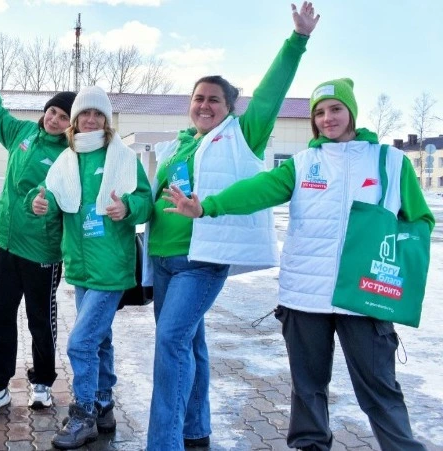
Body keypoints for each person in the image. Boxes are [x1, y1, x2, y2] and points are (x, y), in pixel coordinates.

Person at [162, 78, 432, 451]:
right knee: (307, 389)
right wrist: (207, 206)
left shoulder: (390, 161)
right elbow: (259, 190)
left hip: (365, 297)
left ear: (351, 111)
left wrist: (394, 263)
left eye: (335, 109)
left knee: (380, 390)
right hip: (305, 298)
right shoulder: (304, 163)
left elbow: (419, 222)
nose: (327, 118)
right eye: (319, 112)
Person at [145, 3, 320, 449]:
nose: (204, 105)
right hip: (163, 259)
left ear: (229, 108)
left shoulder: (242, 136)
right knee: (190, 345)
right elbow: (153, 196)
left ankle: (163, 442)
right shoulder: (176, 147)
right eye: (198, 98)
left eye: (214, 99)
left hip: (199, 263)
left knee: (169, 346)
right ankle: (196, 428)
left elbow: (269, 94)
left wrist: (297, 40)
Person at [32, 85, 153, 449]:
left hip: (111, 267)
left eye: (97, 114)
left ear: (105, 120)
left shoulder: (123, 157)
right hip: (80, 266)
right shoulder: (66, 158)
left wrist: (128, 206)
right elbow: (48, 193)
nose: (90, 119)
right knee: (100, 339)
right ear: (75, 120)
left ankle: (83, 416)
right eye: (84, 113)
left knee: (81, 342)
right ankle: (103, 406)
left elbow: (147, 200)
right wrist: (39, 203)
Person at [0, 47, 76, 417]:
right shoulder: (23, 133)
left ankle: (43, 382)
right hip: (6, 244)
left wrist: (49, 205)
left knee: (40, 319)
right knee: (1, 316)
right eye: (52, 112)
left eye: (63, 117)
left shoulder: (70, 155)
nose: (54, 120)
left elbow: (72, 196)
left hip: (42, 251)